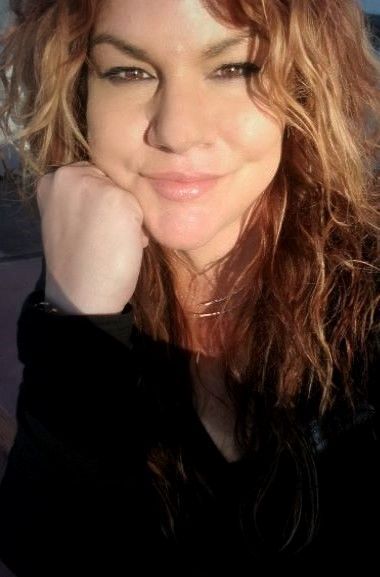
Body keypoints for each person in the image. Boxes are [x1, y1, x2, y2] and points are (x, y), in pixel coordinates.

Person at [0, 0, 378, 575]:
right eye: (129, 72)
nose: (177, 130)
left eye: (234, 69)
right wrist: (79, 325)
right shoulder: (83, 284)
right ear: (81, 95)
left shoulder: (367, 288)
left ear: (303, 85)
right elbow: (45, 549)